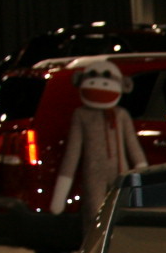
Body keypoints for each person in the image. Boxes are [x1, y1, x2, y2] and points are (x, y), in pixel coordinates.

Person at [52, 59, 147, 216]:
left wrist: (141, 169)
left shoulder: (120, 115)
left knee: (118, 212)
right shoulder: (81, 115)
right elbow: (72, 153)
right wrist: (60, 194)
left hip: (120, 172)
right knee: (94, 213)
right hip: (93, 173)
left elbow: (133, 146)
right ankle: (95, 240)